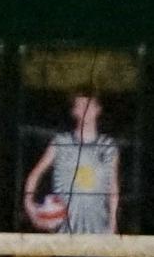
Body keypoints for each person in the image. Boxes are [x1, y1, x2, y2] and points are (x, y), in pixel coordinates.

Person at [24, 90, 120, 241]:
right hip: (64, 235)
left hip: (98, 233)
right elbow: (35, 174)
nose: (85, 110)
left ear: (98, 109)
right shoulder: (60, 143)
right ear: (74, 111)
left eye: (89, 105)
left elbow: (112, 187)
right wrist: (30, 207)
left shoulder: (108, 147)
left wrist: (113, 224)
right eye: (80, 106)